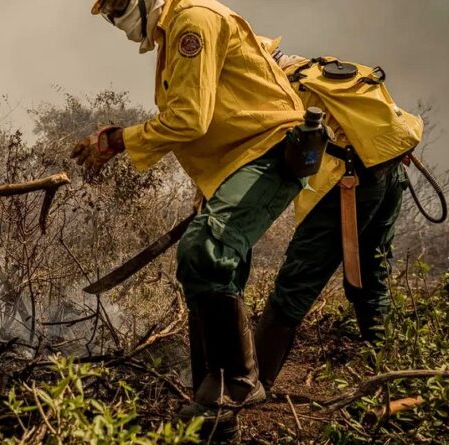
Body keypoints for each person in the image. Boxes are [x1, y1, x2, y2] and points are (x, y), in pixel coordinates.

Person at [71, 0, 310, 436]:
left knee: (205, 250)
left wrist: (117, 140)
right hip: (240, 160)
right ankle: (211, 407)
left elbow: (188, 119)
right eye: (108, 12)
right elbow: (211, 117)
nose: (116, 19)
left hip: (270, 150)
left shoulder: (192, 22)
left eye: (120, 4)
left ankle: (237, 384)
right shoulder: (172, 33)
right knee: (213, 269)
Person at [253, 37, 423, 392]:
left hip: (348, 185)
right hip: (390, 175)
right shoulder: (315, 67)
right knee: (371, 275)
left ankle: (251, 386)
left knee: (295, 283)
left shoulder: (279, 88)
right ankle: (391, 376)